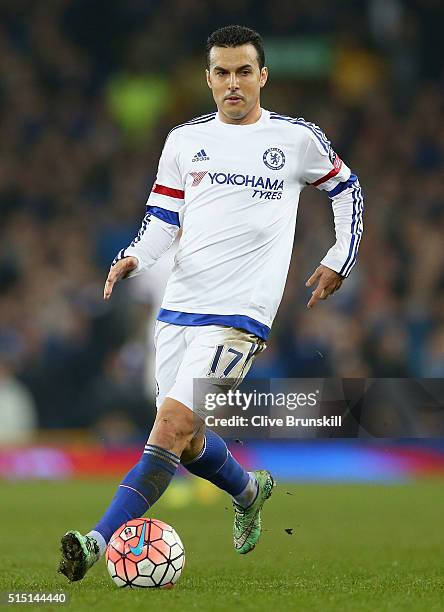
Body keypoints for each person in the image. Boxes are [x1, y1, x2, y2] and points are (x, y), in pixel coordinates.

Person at [59, 24, 364, 581]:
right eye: (221, 73)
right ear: (207, 78)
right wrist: (134, 256)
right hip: (178, 308)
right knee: (189, 436)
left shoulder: (296, 139)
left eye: (244, 71)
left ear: (263, 76)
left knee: (170, 427)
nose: (233, 83)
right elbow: (163, 217)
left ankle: (96, 541)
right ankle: (249, 491)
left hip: (241, 315)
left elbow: (347, 188)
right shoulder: (183, 140)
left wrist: (339, 256)